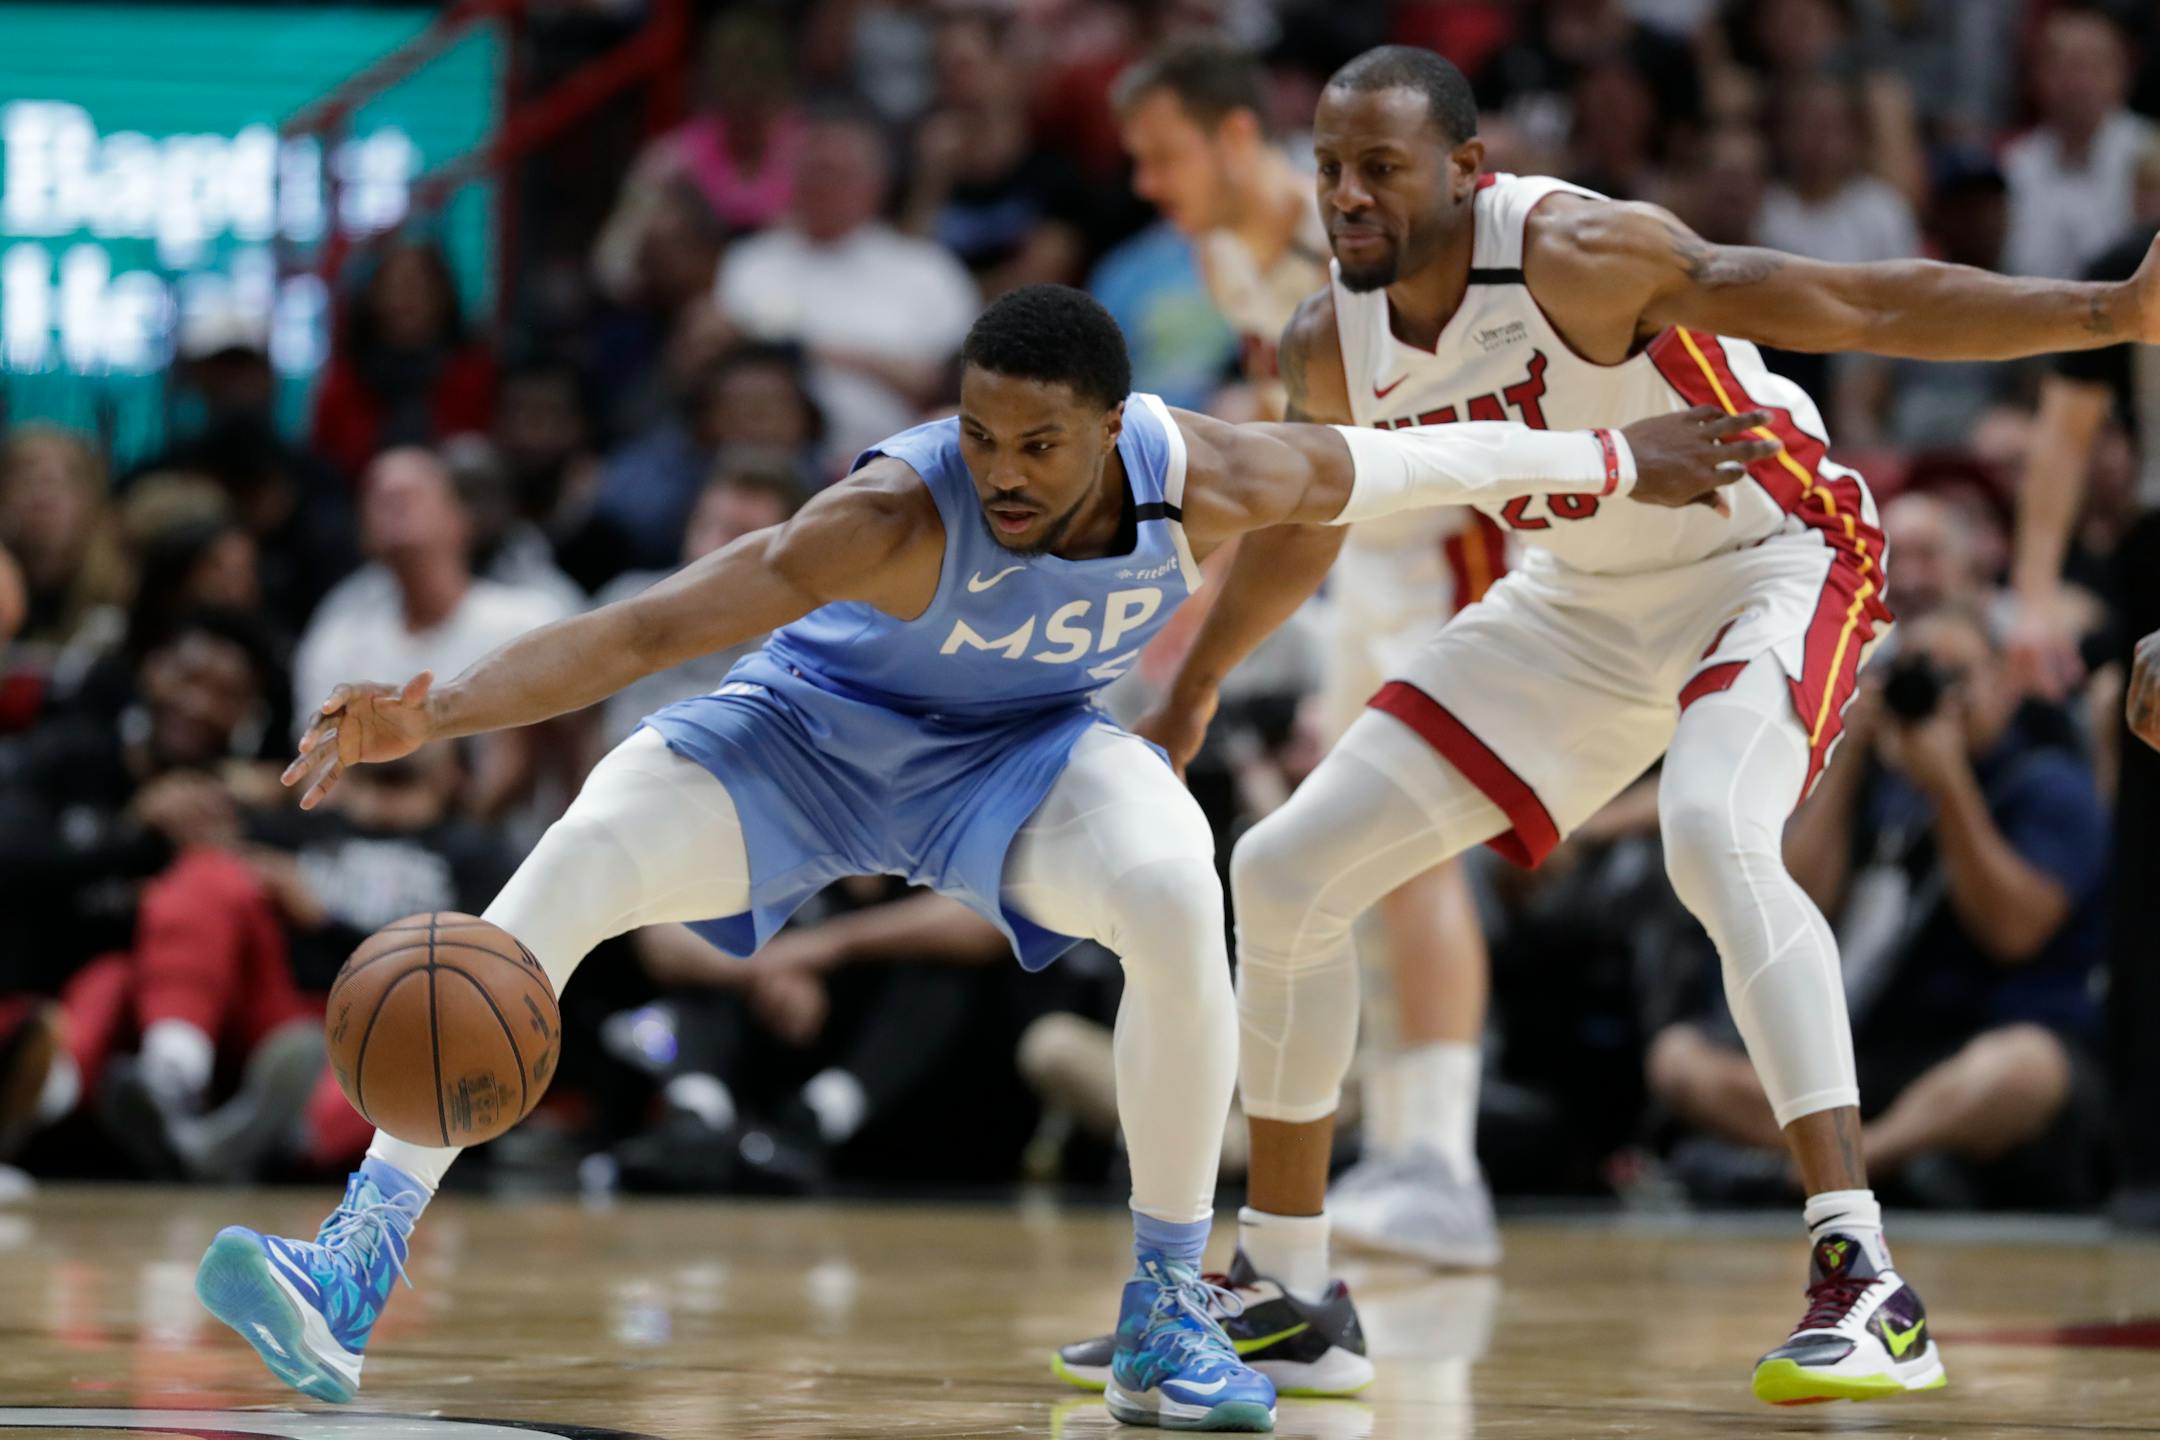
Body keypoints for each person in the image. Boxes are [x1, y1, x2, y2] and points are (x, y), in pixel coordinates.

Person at [190, 281, 1757, 1432]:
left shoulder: (1205, 472)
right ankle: (358, 1251)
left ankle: (1163, 1300)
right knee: (582, 846)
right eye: (983, 431)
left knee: (1172, 883)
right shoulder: (883, 515)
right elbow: (654, 626)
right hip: (798, 745)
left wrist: (1619, 470)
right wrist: (435, 712)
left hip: (1010, 762)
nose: (1002, 467)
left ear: (1109, 430)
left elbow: (1408, 469)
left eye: (1038, 443)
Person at [1085, 44, 2160, 1408]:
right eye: (1332, 171)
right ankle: (1291, 1290)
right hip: (1583, 601)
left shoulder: (1575, 252)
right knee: (1283, 867)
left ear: (1467, 175)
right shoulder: (1326, 337)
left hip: (1775, 556)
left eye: (1382, 170)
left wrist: (2109, 310)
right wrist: (1195, 686)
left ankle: (1865, 1277)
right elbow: (1311, 516)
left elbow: (1859, 300)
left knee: (1712, 831)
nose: (1349, 196)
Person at [1114, 35, 1506, 1274]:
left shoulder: (1358, 222)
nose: (1146, 181)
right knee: (1336, 853)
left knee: (1406, 842)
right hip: (1363, 555)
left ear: (1236, 138)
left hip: (1458, 537)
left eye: (1163, 153)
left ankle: (1441, 1162)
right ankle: (1403, 1148)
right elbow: (1290, 449)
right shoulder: (1225, 251)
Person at [1651, 606, 2111, 1211]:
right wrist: (1846, 763)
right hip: (1874, 1055)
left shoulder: (2049, 785)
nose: (1932, 696)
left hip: (1979, 1050)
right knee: (1681, 1061)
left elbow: (2012, 931)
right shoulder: (1876, 780)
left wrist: (1949, 787)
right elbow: (1783, 905)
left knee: (2024, 1070)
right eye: (1911, 674)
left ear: (2004, 684)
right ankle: (1878, 1161)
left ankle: (1824, 1175)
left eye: (1956, 677)